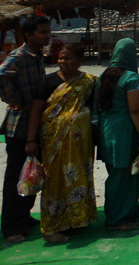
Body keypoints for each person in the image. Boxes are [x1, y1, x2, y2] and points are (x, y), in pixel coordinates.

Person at [25, 43, 97, 243]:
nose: (62, 62)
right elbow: (36, 112)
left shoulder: (88, 82)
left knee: (77, 178)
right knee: (54, 181)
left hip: (79, 144)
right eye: (60, 58)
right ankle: (53, 228)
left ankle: (77, 219)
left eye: (67, 58)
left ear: (79, 61)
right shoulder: (48, 82)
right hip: (53, 143)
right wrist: (31, 140)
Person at [0, 15, 50, 242]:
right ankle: (12, 226)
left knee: (32, 173)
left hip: (36, 123)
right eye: (42, 32)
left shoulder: (38, 55)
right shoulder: (19, 56)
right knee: (15, 176)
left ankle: (24, 215)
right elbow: (1, 76)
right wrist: (15, 99)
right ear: (28, 35)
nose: (47, 36)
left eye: (48, 32)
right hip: (20, 125)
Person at [96, 38, 139, 230]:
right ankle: (118, 219)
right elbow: (135, 110)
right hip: (125, 132)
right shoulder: (132, 78)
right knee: (123, 176)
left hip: (107, 131)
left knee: (116, 173)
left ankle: (127, 211)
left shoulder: (104, 76)